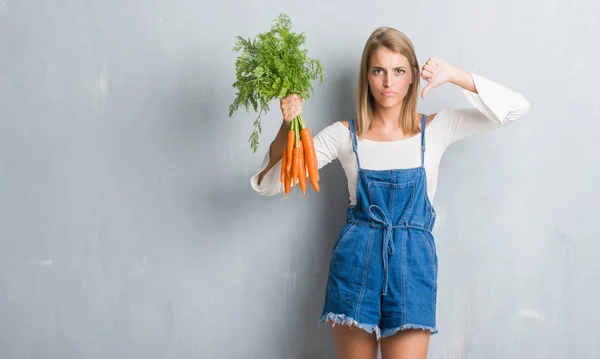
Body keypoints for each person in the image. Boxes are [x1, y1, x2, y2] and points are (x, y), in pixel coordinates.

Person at [250, 26, 530, 359]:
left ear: (413, 76)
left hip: (413, 267)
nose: (388, 82)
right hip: (356, 265)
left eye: (398, 71)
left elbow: (517, 108)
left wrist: (453, 75)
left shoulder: (436, 130)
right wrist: (287, 126)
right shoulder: (344, 136)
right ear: (366, 77)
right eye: (378, 71)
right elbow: (269, 184)